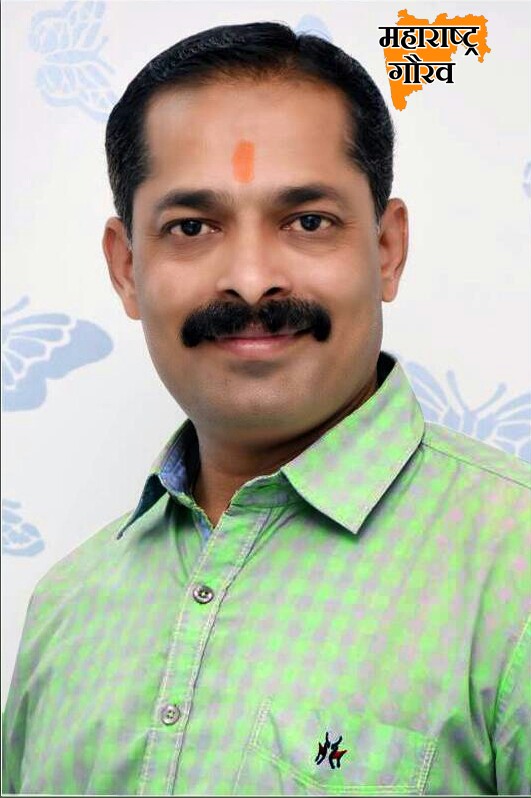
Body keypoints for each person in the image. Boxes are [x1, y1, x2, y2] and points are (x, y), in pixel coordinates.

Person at [2, 21, 530, 796]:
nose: (250, 280)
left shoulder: (514, 568)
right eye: (191, 227)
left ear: (386, 249)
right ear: (125, 267)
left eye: (307, 221)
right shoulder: (66, 605)